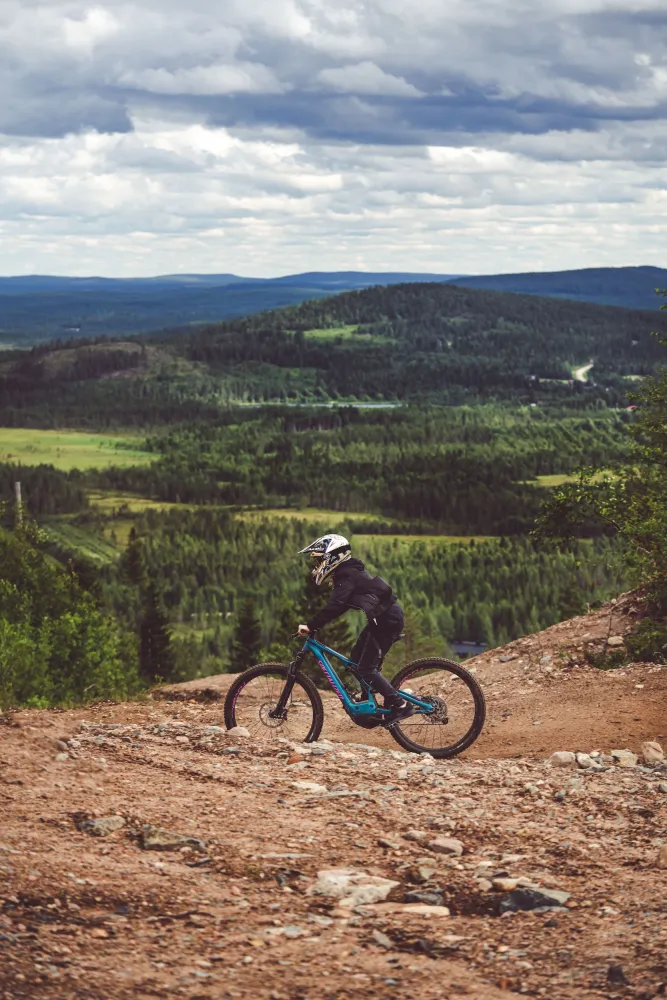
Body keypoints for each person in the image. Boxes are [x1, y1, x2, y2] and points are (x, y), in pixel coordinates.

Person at [297, 533, 413, 723]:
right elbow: (340, 605)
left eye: (319, 560)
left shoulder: (346, 575)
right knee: (355, 661)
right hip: (381, 620)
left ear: (332, 557)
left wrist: (310, 625)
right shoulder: (347, 573)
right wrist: (317, 624)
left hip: (386, 621)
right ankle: (369, 700)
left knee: (366, 669)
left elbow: (335, 605)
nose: (316, 566)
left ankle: (400, 704)